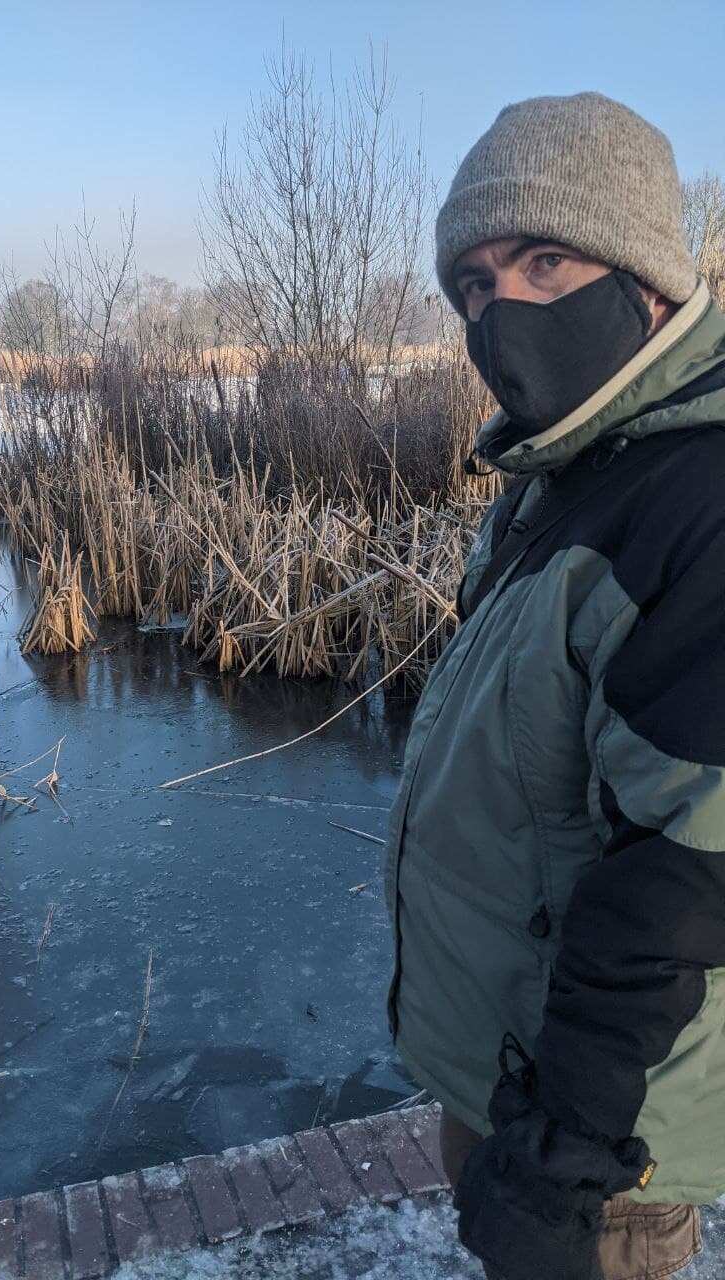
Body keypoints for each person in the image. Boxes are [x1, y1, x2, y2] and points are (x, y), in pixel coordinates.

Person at [384, 91, 725, 1280]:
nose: (501, 311)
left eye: (543, 261)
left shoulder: (697, 504)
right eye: (475, 285)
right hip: (509, 1068)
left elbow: (688, 870)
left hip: (594, 1139)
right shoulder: (561, 470)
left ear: (645, 280)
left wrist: (565, 1147)